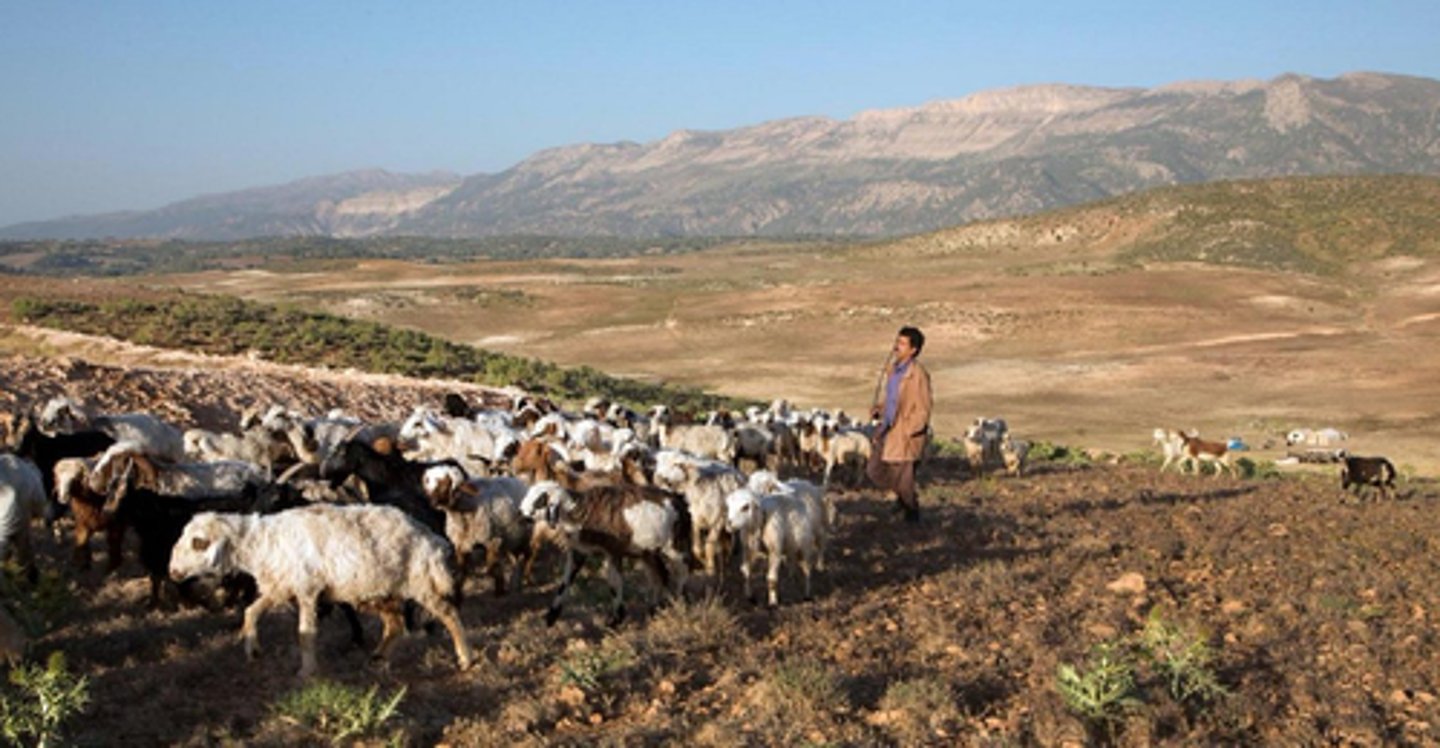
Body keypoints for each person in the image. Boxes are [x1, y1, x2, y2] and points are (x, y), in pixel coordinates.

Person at [866, 326, 933, 523]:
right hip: (888, 429)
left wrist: (909, 430)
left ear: (913, 350)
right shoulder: (894, 371)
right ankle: (903, 502)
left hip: (904, 434)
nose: (897, 347)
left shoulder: (918, 374)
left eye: (902, 343)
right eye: (897, 342)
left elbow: (923, 407)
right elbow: (893, 398)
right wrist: (880, 409)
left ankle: (912, 515)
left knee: (904, 480)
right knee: (875, 469)